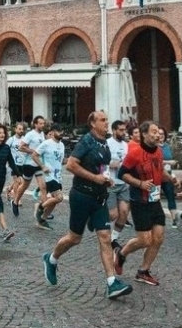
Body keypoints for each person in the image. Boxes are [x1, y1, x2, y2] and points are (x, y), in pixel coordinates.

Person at [42, 111, 133, 299]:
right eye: (102, 120)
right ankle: (51, 259)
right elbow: (71, 165)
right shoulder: (86, 142)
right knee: (74, 239)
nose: (106, 123)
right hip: (81, 196)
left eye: (107, 119)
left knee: (105, 238)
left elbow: (102, 169)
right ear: (92, 123)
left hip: (99, 198)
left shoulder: (105, 144)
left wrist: (106, 180)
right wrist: (95, 178)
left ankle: (112, 283)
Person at [114, 121, 172, 286]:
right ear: (144, 134)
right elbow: (122, 174)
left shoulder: (159, 152)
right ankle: (121, 254)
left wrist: (170, 178)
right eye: (153, 132)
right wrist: (140, 184)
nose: (157, 134)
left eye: (158, 132)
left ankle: (143, 271)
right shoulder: (135, 153)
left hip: (155, 200)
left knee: (158, 238)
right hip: (139, 201)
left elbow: (160, 170)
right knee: (145, 240)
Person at [31, 124, 66, 230]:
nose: (61, 133)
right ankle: (40, 207)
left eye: (62, 131)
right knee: (59, 198)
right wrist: (42, 166)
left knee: (54, 201)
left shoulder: (62, 145)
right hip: (49, 176)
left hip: (58, 176)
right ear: (53, 131)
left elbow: (60, 161)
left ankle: (42, 220)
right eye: (59, 131)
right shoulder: (46, 144)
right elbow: (34, 155)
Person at [15, 115, 46, 216]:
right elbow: (21, 147)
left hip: (38, 164)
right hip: (29, 164)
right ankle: (15, 201)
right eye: (40, 123)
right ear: (35, 124)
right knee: (24, 186)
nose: (42, 125)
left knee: (43, 186)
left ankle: (43, 210)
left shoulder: (42, 134)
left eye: (43, 123)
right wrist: (32, 151)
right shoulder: (30, 134)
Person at [107, 120, 131, 249]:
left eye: (124, 130)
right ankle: (97, 220)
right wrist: (113, 164)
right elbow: (102, 163)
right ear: (114, 130)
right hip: (111, 183)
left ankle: (113, 238)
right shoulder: (107, 144)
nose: (123, 132)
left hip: (123, 183)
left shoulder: (126, 145)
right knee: (113, 215)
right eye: (121, 130)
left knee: (124, 212)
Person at [158, 125, 182, 229]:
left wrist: (173, 176)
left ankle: (175, 221)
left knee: (171, 198)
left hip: (167, 176)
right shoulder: (155, 148)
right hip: (157, 176)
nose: (160, 136)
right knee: (155, 199)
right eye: (158, 134)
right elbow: (155, 161)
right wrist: (169, 162)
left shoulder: (167, 147)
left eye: (162, 134)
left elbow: (169, 166)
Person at [6, 122, 28, 201]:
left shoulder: (25, 139)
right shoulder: (11, 139)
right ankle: (16, 199)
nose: (21, 130)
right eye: (19, 129)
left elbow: (27, 149)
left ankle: (9, 189)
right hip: (13, 164)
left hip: (22, 163)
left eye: (22, 129)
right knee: (17, 181)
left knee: (20, 181)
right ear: (15, 129)